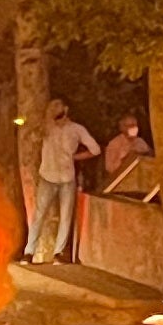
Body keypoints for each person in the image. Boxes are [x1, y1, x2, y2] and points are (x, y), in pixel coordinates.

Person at [28, 101, 95, 267]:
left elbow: (95, 149)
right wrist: (46, 121)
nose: (55, 111)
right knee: (39, 215)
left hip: (66, 177)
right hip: (47, 176)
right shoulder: (47, 128)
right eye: (52, 107)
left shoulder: (76, 129)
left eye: (58, 107)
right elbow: (33, 136)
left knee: (65, 216)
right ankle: (29, 251)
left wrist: (76, 158)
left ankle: (59, 252)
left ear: (65, 109)